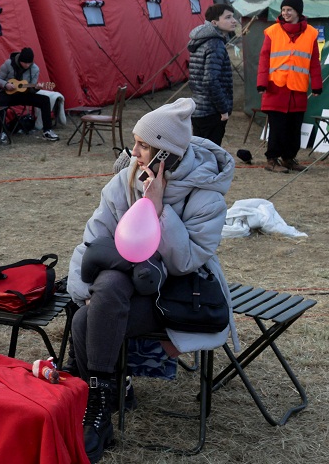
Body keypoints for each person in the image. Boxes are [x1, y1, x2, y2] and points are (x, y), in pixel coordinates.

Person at [66, 98, 238, 463]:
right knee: (103, 292)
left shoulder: (206, 196)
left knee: (86, 321)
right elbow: (93, 240)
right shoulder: (124, 180)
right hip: (123, 291)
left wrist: (160, 211)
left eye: (143, 145)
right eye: (135, 142)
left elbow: (187, 261)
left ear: (166, 154)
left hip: (176, 296)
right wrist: (86, 295)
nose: (134, 152)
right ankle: (102, 404)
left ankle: (100, 407)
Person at [257, 0, 323, 173]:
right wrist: (261, 83)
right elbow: (264, 59)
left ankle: (288, 159)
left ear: (298, 12)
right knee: (277, 126)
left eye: (289, 10)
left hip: (298, 89)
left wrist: (316, 84)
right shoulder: (272, 32)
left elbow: (314, 62)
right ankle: (272, 160)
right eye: (283, 10)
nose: (285, 13)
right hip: (275, 87)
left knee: (294, 126)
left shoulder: (311, 34)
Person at [188, 4, 237, 146]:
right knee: (210, 156)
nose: (233, 21)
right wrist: (223, 109)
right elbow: (210, 80)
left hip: (199, 108)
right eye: (228, 17)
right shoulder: (215, 44)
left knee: (200, 153)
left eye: (233, 16)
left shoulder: (202, 40)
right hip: (211, 111)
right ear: (214, 23)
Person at [0, 47, 59, 141]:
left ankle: (47, 131)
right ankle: (1, 132)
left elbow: (31, 89)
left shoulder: (35, 69)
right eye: (25, 63)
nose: (27, 65)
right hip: (8, 93)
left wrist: (35, 88)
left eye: (29, 63)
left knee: (45, 100)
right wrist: (6, 84)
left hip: (23, 94)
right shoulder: (8, 64)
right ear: (20, 60)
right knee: (0, 102)